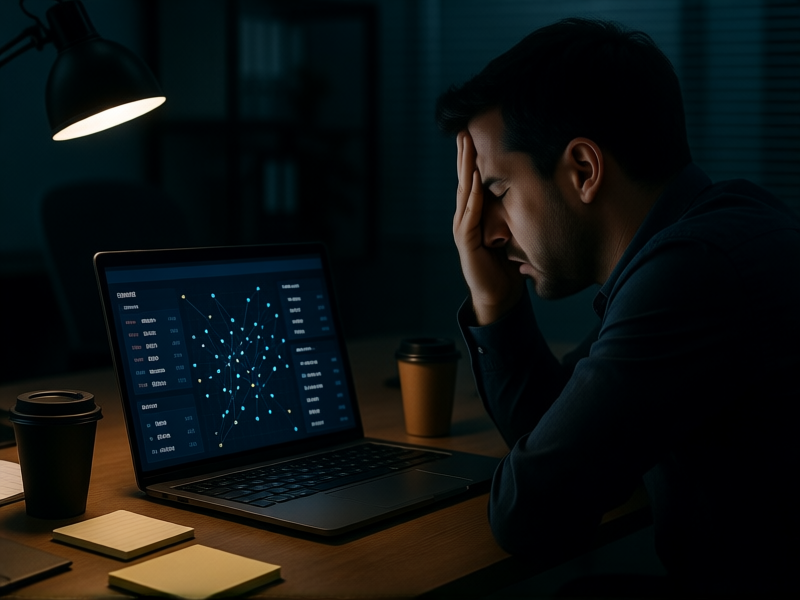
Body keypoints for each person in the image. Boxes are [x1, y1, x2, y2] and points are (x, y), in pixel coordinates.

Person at [435, 17, 800, 597]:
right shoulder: (719, 229)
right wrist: (496, 300)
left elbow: (533, 512)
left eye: (498, 192)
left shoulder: (693, 274)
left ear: (583, 169)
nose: (488, 232)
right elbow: (562, 439)